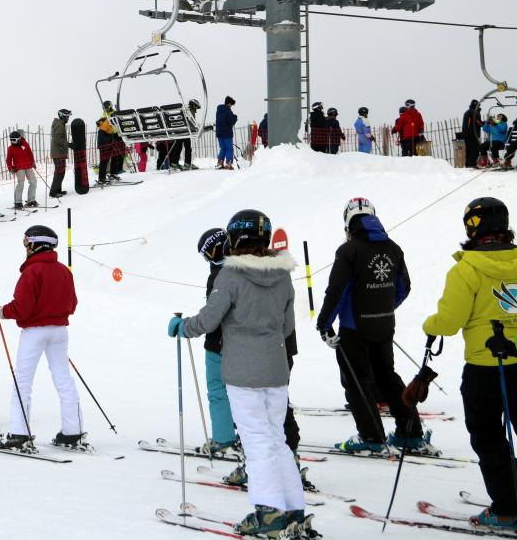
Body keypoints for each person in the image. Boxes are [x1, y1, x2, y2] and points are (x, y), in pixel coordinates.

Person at [169, 210, 309, 537]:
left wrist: (182, 327)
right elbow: (287, 326)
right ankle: (292, 509)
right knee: (276, 440)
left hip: (243, 372)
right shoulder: (283, 274)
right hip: (275, 368)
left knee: (257, 441)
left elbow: (208, 321)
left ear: (235, 238)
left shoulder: (230, 276)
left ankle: (269, 514)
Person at [422, 197, 517, 531]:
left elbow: (449, 322)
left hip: (486, 369)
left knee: (488, 436)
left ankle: (511, 509)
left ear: (471, 227)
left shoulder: (466, 269)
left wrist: (430, 325)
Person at [316, 198, 430, 454]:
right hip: (384, 325)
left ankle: (371, 436)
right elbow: (404, 288)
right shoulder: (393, 248)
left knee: (357, 381)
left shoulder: (348, 251)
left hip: (353, 329)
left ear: (348, 223)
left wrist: (324, 323)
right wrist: (383, 308)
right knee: (386, 376)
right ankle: (410, 432)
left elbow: (337, 291)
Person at [0, 225, 84, 452]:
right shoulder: (64, 271)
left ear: (36, 244)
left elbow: (22, 308)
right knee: (64, 379)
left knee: (22, 380)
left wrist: (1, 312)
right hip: (59, 331)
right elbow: (72, 304)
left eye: (26, 242)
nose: (25, 247)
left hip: (34, 332)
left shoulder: (32, 272)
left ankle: (19, 434)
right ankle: (73, 432)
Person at [196, 228, 237, 455]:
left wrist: (187, 326)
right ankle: (240, 431)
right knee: (240, 391)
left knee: (218, 390)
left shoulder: (218, 275)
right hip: (241, 344)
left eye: (207, 254)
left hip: (218, 344)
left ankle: (223, 438)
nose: (208, 260)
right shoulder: (242, 269)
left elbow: (212, 316)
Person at [6, 130, 39, 207]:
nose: (12, 142)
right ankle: (18, 202)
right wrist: (10, 168)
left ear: (18, 139)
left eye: (14, 140)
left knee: (33, 182)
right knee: (21, 184)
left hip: (28, 166)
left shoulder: (25, 144)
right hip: (19, 168)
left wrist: (33, 162)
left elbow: (30, 153)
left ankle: (31, 200)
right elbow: (8, 160)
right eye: (11, 140)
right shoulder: (10, 148)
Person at [169, 99, 201, 170]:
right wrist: (196, 128)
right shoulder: (190, 111)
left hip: (179, 131)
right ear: (193, 105)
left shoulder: (183, 110)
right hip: (186, 131)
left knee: (178, 146)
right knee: (188, 147)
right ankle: (187, 163)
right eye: (196, 107)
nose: (196, 109)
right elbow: (191, 123)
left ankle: (174, 163)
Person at [50, 109, 71, 195]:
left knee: (61, 172)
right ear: (63, 116)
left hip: (59, 152)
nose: (68, 118)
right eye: (67, 117)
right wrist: (68, 144)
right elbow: (57, 138)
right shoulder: (59, 125)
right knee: (59, 172)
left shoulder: (60, 124)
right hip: (58, 153)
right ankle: (53, 192)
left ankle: (58, 190)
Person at [215, 96, 238, 169]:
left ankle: (219, 163)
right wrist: (235, 117)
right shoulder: (228, 111)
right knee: (229, 149)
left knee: (223, 148)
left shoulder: (219, 110)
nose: (231, 106)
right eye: (231, 104)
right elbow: (231, 122)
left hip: (219, 133)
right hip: (227, 133)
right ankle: (228, 163)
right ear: (229, 103)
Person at [96, 109, 118, 182]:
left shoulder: (109, 119)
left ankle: (112, 174)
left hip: (108, 142)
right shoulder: (105, 119)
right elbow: (102, 131)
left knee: (113, 157)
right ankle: (101, 179)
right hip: (104, 144)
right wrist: (109, 140)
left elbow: (113, 130)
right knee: (104, 161)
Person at [462, 99, 484, 168]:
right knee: (474, 149)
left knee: (468, 150)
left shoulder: (467, 112)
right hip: (473, 135)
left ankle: (468, 164)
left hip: (466, 134)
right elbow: (478, 123)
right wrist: (486, 123)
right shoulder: (474, 112)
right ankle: (472, 164)